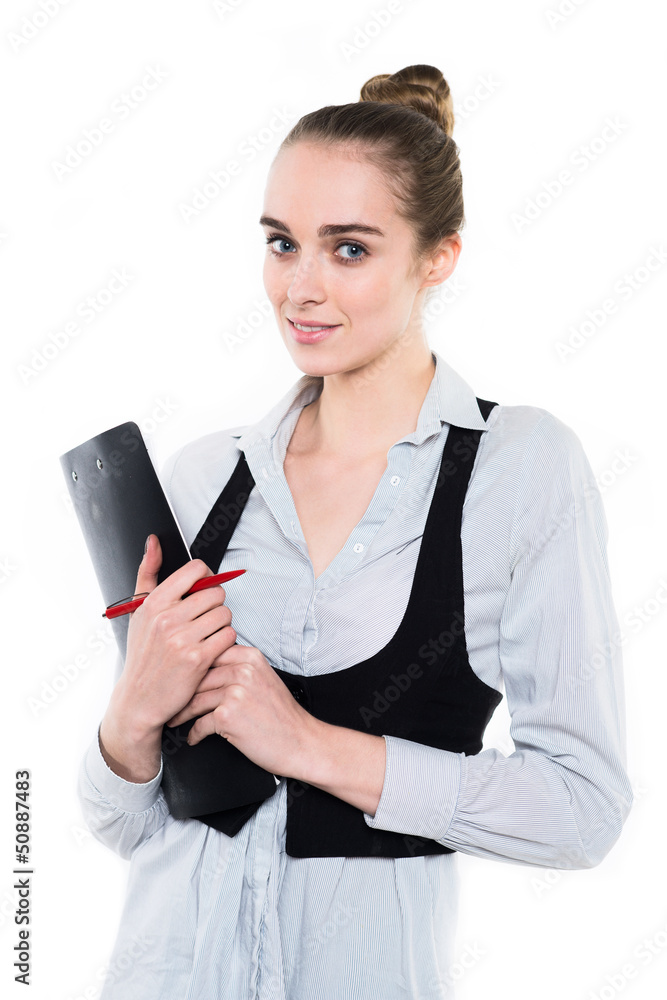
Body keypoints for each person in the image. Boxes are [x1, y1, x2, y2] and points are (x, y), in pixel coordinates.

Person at [78, 64, 632, 999]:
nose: (299, 288)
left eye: (347, 250)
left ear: (438, 256)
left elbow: (582, 812)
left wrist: (308, 745)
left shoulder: (517, 469)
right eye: (281, 243)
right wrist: (131, 714)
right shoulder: (206, 478)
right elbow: (124, 826)